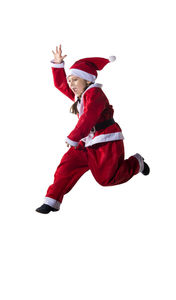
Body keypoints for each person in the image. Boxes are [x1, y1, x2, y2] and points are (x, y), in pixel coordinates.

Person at [36, 45, 150, 214]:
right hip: (86, 141)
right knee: (66, 167)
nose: (71, 84)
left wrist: (73, 137)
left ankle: (136, 164)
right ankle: (52, 201)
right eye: (70, 79)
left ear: (87, 80)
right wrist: (58, 65)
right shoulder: (81, 94)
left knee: (106, 179)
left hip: (105, 141)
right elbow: (61, 85)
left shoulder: (95, 94)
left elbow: (89, 117)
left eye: (75, 79)